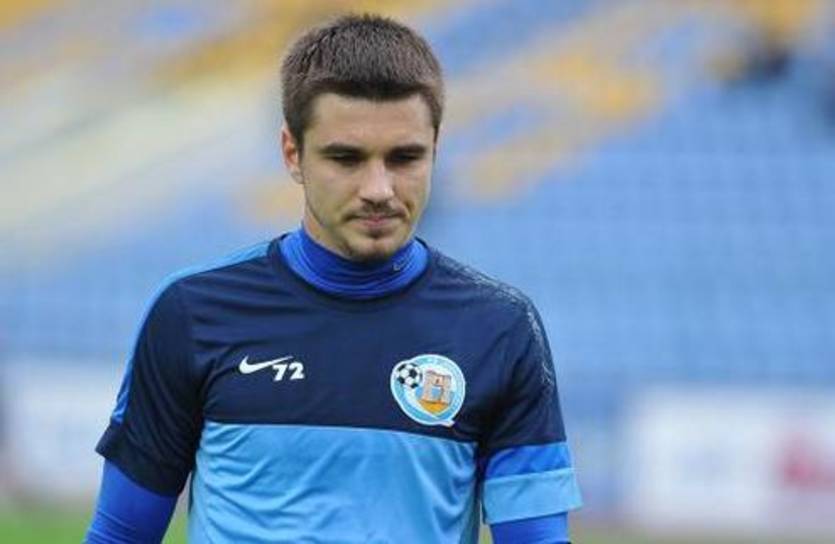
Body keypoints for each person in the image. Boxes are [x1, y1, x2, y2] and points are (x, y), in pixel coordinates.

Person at [85, 13, 581, 544]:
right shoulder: (192, 312)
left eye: (405, 158)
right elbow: (120, 537)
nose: (379, 189)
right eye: (346, 158)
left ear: (436, 149)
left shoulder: (499, 329)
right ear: (292, 153)